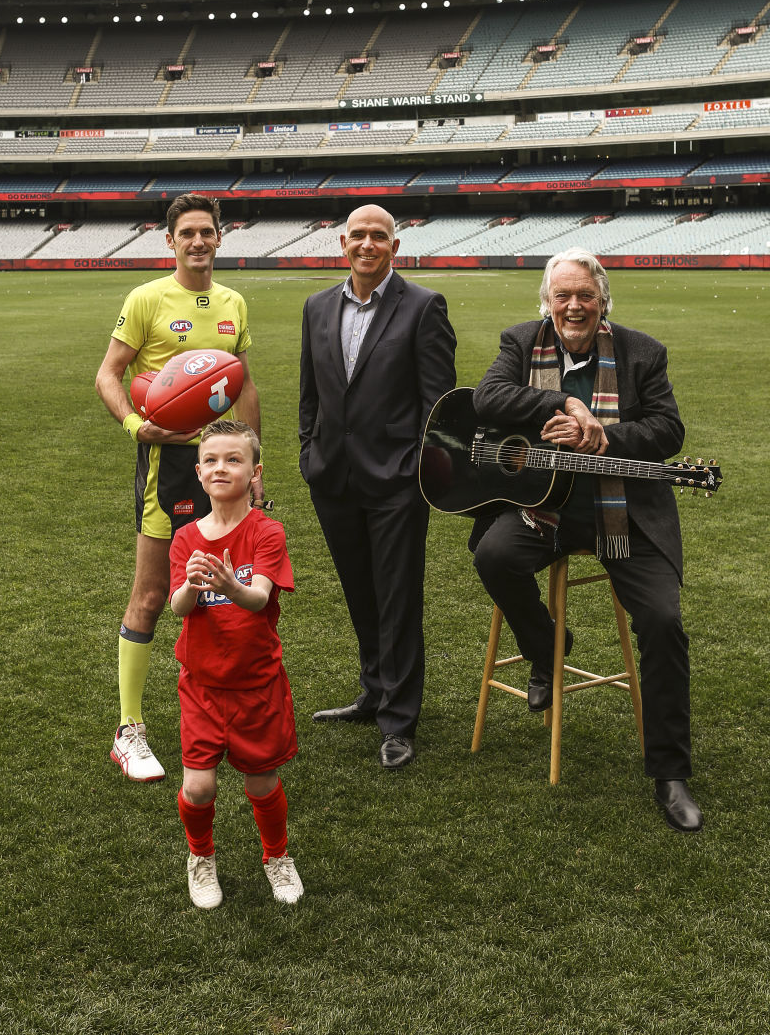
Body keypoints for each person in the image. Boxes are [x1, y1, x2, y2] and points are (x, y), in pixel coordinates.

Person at [469, 247, 703, 832]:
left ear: (604, 301)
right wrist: (564, 402)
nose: (574, 306)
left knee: (663, 622)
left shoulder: (641, 351)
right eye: (562, 296)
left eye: (586, 297)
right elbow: (487, 398)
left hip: (620, 513)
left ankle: (670, 772)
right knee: (493, 556)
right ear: (546, 302)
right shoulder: (521, 341)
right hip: (545, 509)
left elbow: (668, 431)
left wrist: (602, 435)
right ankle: (549, 647)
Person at [95, 192, 261, 784]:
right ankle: (129, 730)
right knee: (153, 591)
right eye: (186, 232)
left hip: (226, 466)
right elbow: (108, 373)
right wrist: (139, 425)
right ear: (170, 241)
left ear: (220, 238)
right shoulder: (146, 299)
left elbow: (243, 386)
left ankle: (225, 715)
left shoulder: (233, 302)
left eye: (207, 232)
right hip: (167, 466)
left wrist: (254, 461)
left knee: (226, 589)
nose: (197, 241)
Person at [299, 204, 457, 770]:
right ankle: (373, 691)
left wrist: (414, 469)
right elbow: (311, 391)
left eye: (379, 236)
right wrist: (307, 451)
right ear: (342, 242)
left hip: (395, 481)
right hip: (332, 476)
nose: (368, 244)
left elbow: (439, 404)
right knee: (360, 591)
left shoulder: (422, 307)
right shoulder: (317, 305)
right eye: (358, 235)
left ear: (396, 245)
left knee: (397, 597)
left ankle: (399, 719)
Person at [169, 419, 302, 908]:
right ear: (199, 473)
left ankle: (277, 856)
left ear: (255, 471)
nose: (221, 467)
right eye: (211, 460)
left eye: (233, 459)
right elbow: (178, 609)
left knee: (261, 780)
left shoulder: (268, 532)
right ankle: (201, 858)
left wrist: (229, 586)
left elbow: (257, 598)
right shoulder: (186, 537)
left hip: (256, 683)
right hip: (202, 684)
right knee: (199, 787)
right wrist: (191, 585)